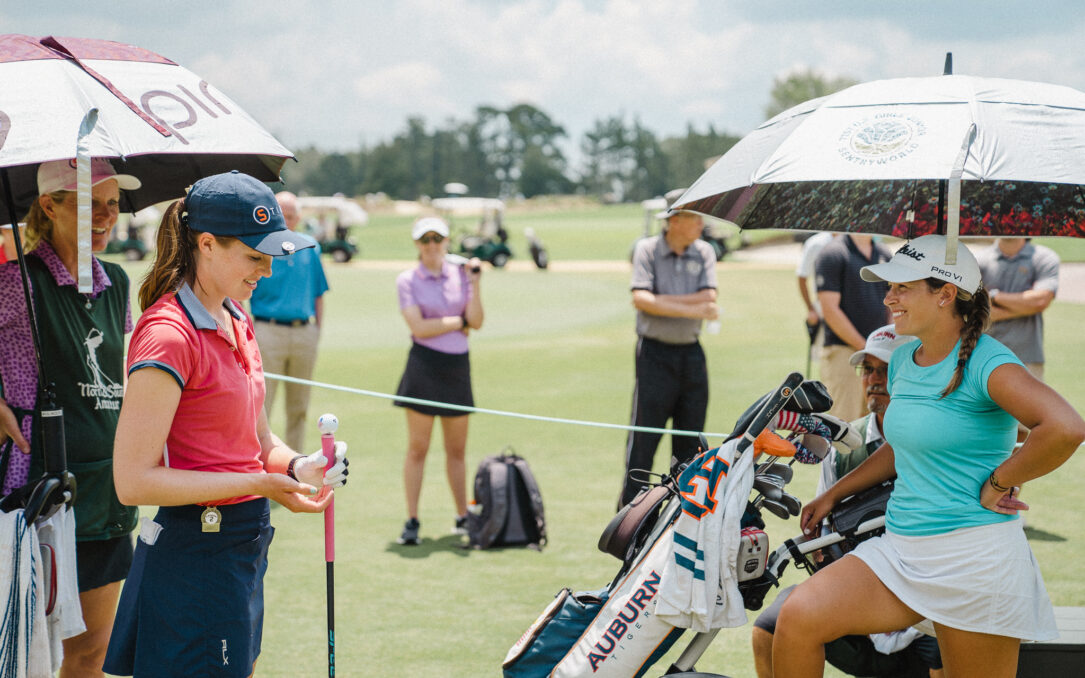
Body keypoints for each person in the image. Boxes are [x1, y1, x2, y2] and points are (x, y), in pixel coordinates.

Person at [773, 234, 1085, 678]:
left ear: (945, 294)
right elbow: (903, 448)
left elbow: (1066, 427)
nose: (888, 297)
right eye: (889, 287)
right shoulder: (902, 360)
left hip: (975, 562)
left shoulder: (987, 362)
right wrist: (833, 494)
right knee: (800, 615)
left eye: (902, 287)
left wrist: (999, 480)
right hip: (902, 549)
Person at [102, 171, 348, 677]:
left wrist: (302, 466)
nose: (267, 272)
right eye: (255, 257)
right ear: (207, 244)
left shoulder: (235, 317)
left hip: (240, 547)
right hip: (195, 554)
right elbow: (132, 481)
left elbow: (259, 441)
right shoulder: (169, 335)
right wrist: (257, 483)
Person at [0, 158, 141, 677]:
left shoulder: (120, 282)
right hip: (31, 491)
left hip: (104, 492)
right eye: (88, 204)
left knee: (91, 656)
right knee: (23, 652)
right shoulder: (15, 280)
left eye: (111, 204)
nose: (105, 216)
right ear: (49, 206)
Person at [752, 325, 945, 678]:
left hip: (923, 604)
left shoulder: (937, 440)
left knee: (947, 642)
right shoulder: (842, 447)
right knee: (769, 626)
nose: (873, 379)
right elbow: (825, 533)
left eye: (885, 370)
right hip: (859, 594)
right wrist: (817, 548)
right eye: (867, 369)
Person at [621, 203, 718, 507]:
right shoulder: (647, 249)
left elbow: (709, 296)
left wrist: (662, 301)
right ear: (675, 221)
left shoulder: (703, 251)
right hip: (654, 354)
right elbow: (641, 299)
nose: (701, 224)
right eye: (695, 217)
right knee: (643, 442)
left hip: (691, 353)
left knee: (690, 445)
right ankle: (629, 519)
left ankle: (679, 516)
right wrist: (691, 309)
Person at [393, 216, 483, 545]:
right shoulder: (408, 279)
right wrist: (457, 321)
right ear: (417, 244)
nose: (432, 245)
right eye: (425, 239)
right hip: (424, 365)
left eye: (438, 238)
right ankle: (412, 520)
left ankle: (462, 516)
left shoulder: (462, 276)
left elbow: (477, 320)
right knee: (418, 448)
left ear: (447, 242)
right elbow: (419, 328)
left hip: (457, 366)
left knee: (456, 450)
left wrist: (475, 284)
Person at [249, 190, 330, 453]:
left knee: (299, 408)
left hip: (303, 331)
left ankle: (295, 470)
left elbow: (318, 294)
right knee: (263, 406)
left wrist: (317, 330)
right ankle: (261, 469)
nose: (288, 221)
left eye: (292, 216)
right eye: (283, 216)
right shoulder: (259, 246)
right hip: (267, 330)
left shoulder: (310, 247)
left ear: (299, 217)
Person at [815, 233, 892, 421]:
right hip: (843, 351)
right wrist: (865, 348)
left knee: (877, 423)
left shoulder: (884, 254)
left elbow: (891, 301)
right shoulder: (833, 254)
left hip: (879, 355)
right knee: (844, 424)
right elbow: (830, 310)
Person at [975, 237, 1059, 380]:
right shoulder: (978, 259)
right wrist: (1024, 307)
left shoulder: (1045, 258)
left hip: (1028, 358)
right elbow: (974, 309)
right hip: (983, 357)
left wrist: (994, 296)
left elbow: (1040, 301)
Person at [795, 231, 835, 373]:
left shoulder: (855, 241)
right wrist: (810, 308)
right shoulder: (816, 243)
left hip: (851, 305)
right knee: (826, 357)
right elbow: (802, 277)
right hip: (822, 306)